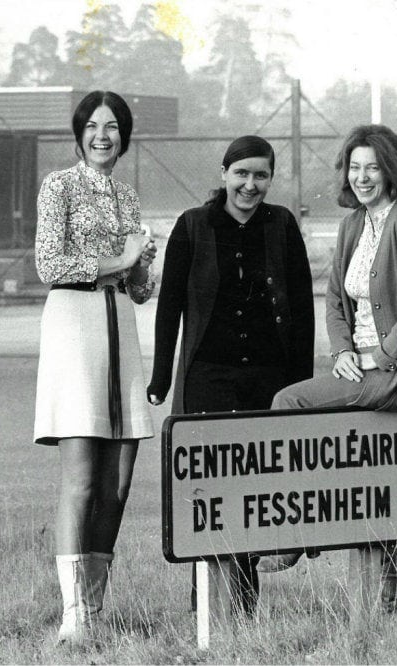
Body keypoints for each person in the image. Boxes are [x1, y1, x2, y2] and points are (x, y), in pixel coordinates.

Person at [260, 124, 397, 612]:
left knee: (289, 402)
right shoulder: (352, 224)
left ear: (391, 171)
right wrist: (342, 350)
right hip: (359, 366)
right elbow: (333, 297)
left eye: (373, 167)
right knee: (368, 471)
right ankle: (380, 591)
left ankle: (297, 533)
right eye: (355, 167)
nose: (363, 177)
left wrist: (380, 355)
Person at [147, 135, 315, 614]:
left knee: (255, 490)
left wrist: (299, 386)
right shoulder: (193, 225)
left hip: (268, 377)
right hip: (209, 377)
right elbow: (170, 307)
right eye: (241, 173)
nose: (250, 184)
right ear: (224, 174)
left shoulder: (281, 225)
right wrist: (161, 376)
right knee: (209, 490)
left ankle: (241, 603)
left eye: (261, 175)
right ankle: (206, 601)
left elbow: (302, 310)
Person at [33, 90, 158, 643]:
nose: (101, 135)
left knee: (119, 482)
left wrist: (142, 264)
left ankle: (95, 609)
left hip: (119, 327)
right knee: (82, 481)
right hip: (73, 323)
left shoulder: (128, 197)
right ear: (78, 132)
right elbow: (48, 262)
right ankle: (70, 619)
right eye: (91, 125)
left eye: (111, 126)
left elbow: (139, 290)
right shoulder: (58, 185)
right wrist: (121, 259)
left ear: (124, 135)